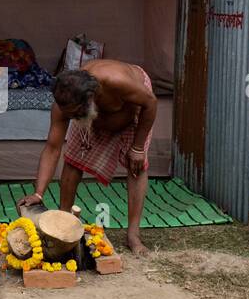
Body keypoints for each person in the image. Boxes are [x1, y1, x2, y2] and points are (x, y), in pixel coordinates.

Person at [23, 60, 157, 256]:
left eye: (76, 114)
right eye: (70, 116)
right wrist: (39, 193)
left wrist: (137, 148)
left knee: (136, 165)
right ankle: (64, 220)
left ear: (90, 99)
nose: (72, 119)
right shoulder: (66, 104)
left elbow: (151, 102)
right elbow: (53, 149)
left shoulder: (117, 81)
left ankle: (133, 235)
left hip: (135, 111)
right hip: (94, 113)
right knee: (73, 159)